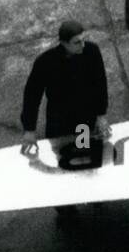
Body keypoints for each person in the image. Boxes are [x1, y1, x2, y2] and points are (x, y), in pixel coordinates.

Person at [20, 19, 110, 168]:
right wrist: (29, 130)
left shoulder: (91, 51)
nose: (82, 45)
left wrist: (101, 115)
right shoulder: (45, 62)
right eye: (77, 42)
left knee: (84, 158)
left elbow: (100, 83)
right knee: (63, 160)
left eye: (83, 40)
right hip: (59, 121)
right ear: (63, 43)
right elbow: (32, 96)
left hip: (84, 118)